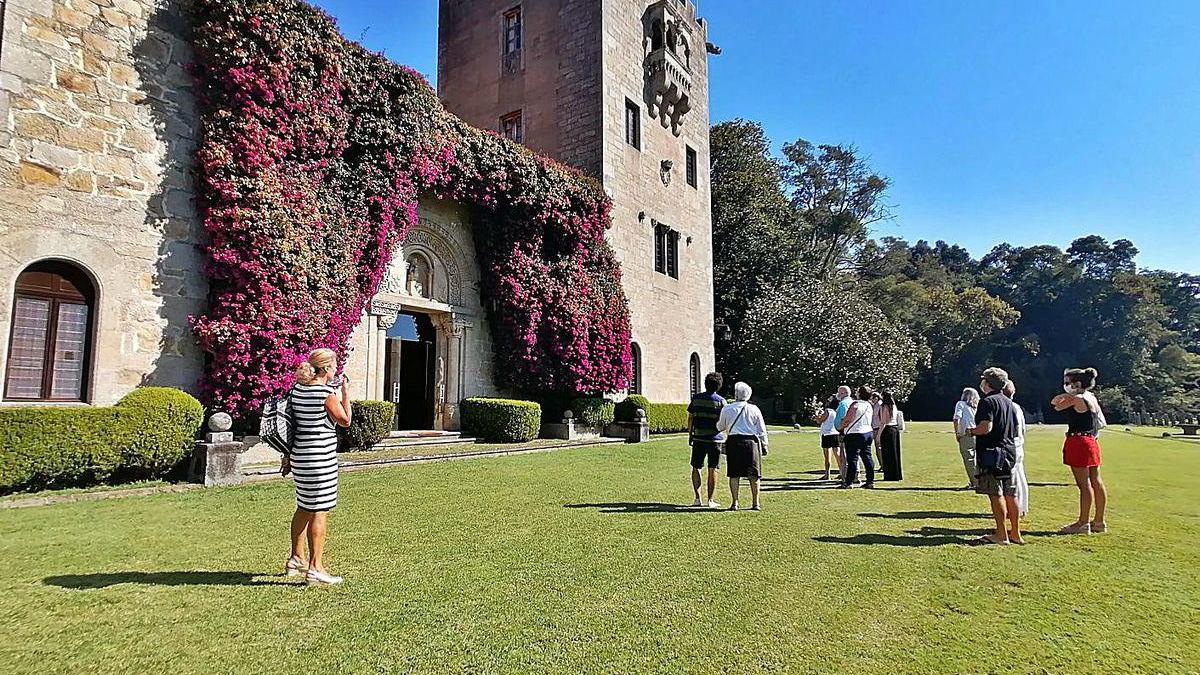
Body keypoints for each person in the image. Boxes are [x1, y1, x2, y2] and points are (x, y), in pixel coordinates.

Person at [285, 348, 353, 586]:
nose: (336, 370)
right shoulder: (325, 392)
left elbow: (291, 425)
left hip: (300, 456)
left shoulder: (297, 391)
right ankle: (315, 568)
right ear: (326, 369)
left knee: (303, 506)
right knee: (319, 510)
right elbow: (345, 420)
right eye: (334, 366)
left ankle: (296, 558)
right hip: (320, 458)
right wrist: (345, 393)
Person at [969, 367, 1023, 545]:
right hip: (1009, 452)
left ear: (988, 383)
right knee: (1011, 493)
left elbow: (986, 427)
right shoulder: (1009, 403)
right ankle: (1015, 532)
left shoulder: (987, 402)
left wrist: (970, 432)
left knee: (995, 493)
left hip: (992, 452)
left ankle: (1001, 534)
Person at [1051, 367, 1108, 534]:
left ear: (1076, 384)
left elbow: (1056, 405)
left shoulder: (1076, 399)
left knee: (1084, 485)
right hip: (1091, 441)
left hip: (1078, 441)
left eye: (1068, 382)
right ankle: (1099, 521)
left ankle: (1082, 523)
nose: (1066, 385)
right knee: (1096, 480)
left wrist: (1067, 395)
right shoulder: (1091, 398)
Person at [716, 382, 769, 511]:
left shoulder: (727, 408)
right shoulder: (754, 409)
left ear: (736, 394)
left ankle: (735, 503)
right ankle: (755, 503)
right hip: (751, 443)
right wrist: (765, 444)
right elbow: (761, 429)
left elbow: (720, 427)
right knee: (754, 474)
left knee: (734, 474)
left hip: (734, 442)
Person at [687, 372, 726, 508]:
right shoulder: (721, 401)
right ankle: (710, 500)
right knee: (713, 469)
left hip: (699, 438)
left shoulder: (696, 399)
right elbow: (723, 421)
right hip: (716, 440)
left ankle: (697, 498)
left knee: (696, 467)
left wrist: (690, 434)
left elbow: (691, 418)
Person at [838, 385, 876, 489]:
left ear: (859, 393)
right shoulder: (869, 405)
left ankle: (849, 482)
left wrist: (841, 426)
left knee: (852, 458)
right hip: (867, 432)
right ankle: (870, 481)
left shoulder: (855, 404)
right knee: (867, 457)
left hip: (854, 433)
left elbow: (848, 418)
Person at [1002, 380, 1029, 518]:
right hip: (1018, 444)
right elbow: (1023, 429)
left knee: (1012, 480)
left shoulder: (1005, 406)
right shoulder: (1017, 407)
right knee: (1020, 476)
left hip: (1010, 445)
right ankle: (1022, 506)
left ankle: (1015, 508)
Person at [953, 388, 981, 489]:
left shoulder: (961, 404)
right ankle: (980, 481)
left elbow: (956, 418)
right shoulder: (977, 407)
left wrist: (957, 433)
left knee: (969, 459)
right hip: (978, 434)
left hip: (966, 434)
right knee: (978, 459)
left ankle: (975, 483)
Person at [877, 390, 904, 481]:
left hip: (887, 430)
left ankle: (889, 475)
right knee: (895, 452)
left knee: (887, 453)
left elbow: (883, 422)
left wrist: (878, 435)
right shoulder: (893, 406)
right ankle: (896, 474)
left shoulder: (883, 406)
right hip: (894, 429)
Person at [815, 396, 844, 481]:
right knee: (837, 455)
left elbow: (819, 421)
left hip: (827, 434)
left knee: (827, 456)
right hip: (835, 433)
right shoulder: (837, 412)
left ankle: (827, 474)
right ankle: (842, 472)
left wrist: (817, 414)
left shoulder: (828, 411)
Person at [869, 391, 885, 467]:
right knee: (877, 448)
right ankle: (881, 464)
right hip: (875, 427)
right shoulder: (875, 405)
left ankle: (883, 465)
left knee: (879, 447)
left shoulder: (879, 405)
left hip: (878, 428)